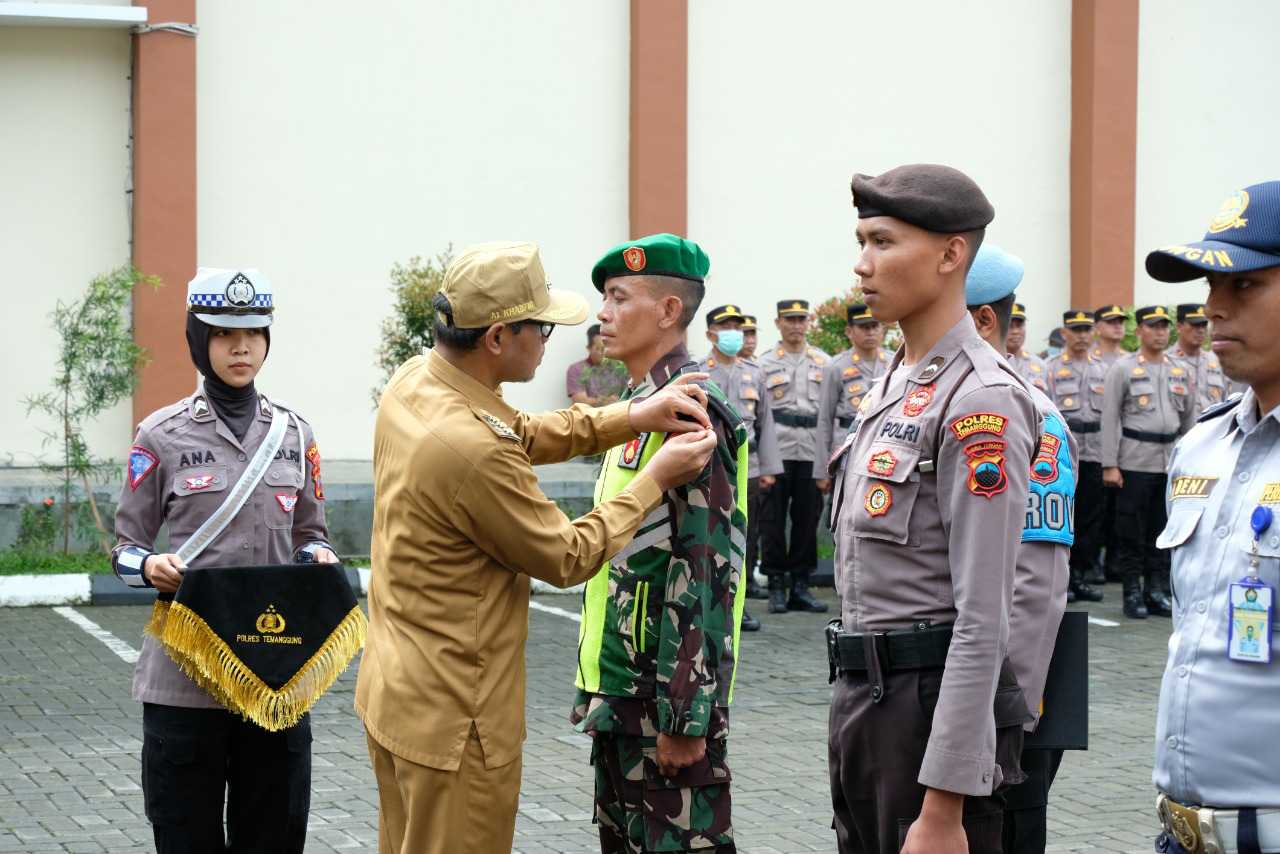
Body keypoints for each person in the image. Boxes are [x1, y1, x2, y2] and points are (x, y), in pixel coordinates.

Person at [354, 241, 718, 854]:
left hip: (398, 690)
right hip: (455, 718)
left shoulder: (419, 381)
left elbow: (519, 431)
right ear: (498, 337)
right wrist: (656, 482)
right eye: (543, 327)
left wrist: (631, 415)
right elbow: (566, 555)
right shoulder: (470, 450)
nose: (553, 339)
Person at [826, 164, 1040, 854]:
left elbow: (984, 617)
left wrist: (945, 804)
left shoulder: (980, 398)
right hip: (865, 697)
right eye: (861, 241)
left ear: (951, 255)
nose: (862, 264)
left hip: (926, 710)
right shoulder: (895, 380)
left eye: (883, 242)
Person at [111, 268, 338, 853]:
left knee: (273, 837)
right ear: (197, 338)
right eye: (222, 334)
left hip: (275, 677)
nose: (242, 347)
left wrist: (321, 559)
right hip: (184, 678)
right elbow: (124, 549)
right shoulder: (159, 435)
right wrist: (149, 567)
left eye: (255, 332)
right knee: (186, 838)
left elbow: (310, 533)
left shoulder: (294, 433)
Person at [573, 233, 747, 854]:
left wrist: (685, 716)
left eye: (619, 298)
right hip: (622, 697)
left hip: (661, 704)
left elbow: (705, 568)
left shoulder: (692, 410)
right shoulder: (640, 405)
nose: (603, 313)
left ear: (669, 311)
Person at [1145, 180, 1280, 854]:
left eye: (1245, 287)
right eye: (1209, 287)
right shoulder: (1203, 444)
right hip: (1184, 833)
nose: (1211, 308)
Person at [963, 243, 1077, 854]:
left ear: (983, 320)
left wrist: (1007, 714)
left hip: (998, 710)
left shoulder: (1029, 416)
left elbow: (1035, 584)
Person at [1101, 305, 1196, 619]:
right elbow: (1110, 418)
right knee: (1132, 531)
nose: (1160, 332)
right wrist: (1110, 464)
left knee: (1164, 529)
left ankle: (1155, 590)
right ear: (1139, 331)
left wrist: (1192, 462)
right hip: (1134, 461)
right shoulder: (1124, 368)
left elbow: (1189, 421)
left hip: (1170, 463)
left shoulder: (1180, 369)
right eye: (1153, 326)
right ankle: (1132, 591)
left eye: (1164, 327)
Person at [699, 302, 783, 628]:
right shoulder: (698, 372)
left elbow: (766, 424)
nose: (733, 335)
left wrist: (770, 469)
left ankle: (737, 604)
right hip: (709, 467)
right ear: (710, 334)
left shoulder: (754, 373)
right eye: (725, 328)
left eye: (737, 328)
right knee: (709, 533)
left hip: (749, 468)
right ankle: (709, 600)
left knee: (745, 536)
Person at [757, 299, 831, 614]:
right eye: (790, 319)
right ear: (778, 323)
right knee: (771, 520)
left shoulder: (825, 363)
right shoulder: (763, 364)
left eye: (801, 319)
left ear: (808, 322)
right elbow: (759, 416)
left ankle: (800, 585)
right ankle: (775, 584)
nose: (796, 325)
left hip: (812, 451)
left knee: (807, 519)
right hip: (778, 450)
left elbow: (827, 415)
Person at [1051, 309, 1109, 601]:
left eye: (1087, 330)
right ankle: (1062, 580)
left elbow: (1112, 418)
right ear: (1065, 334)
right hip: (1063, 454)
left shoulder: (1103, 369)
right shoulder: (1050, 368)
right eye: (1076, 330)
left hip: (1095, 451)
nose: (1082, 335)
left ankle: (1081, 576)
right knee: (1064, 517)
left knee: (1089, 518)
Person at [814, 303, 891, 480]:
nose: (870, 332)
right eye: (864, 327)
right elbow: (825, 419)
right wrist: (821, 471)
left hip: (883, 444)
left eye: (874, 326)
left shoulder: (895, 362)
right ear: (849, 332)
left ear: (882, 330)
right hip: (848, 445)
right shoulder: (836, 367)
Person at [1092, 303, 1130, 584]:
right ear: (1098, 328)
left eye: (1121, 321)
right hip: (1094, 447)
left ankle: (1115, 562)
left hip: (1128, 447)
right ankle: (1093, 561)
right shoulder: (1089, 359)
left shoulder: (1131, 361)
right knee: (1095, 511)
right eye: (1111, 321)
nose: (1118, 326)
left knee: (1121, 512)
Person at [1171, 303, 1228, 413]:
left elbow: (1226, 400)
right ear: (1179, 327)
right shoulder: (1167, 362)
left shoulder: (1215, 361)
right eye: (1195, 325)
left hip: (1214, 427)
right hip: (1182, 429)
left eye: (1203, 325)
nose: (1201, 330)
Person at [567, 322, 625, 406]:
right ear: (589, 349)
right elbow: (580, 401)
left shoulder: (621, 367)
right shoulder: (577, 369)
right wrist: (603, 401)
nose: (604, 352)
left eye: (607, 347)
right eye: (599, 348)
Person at [1006, 303, 1052, 394]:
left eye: (1019, 326)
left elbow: (1049, 405)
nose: (1015, 331)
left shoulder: (1039, 365)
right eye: (1009, 326)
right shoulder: (992, 362)